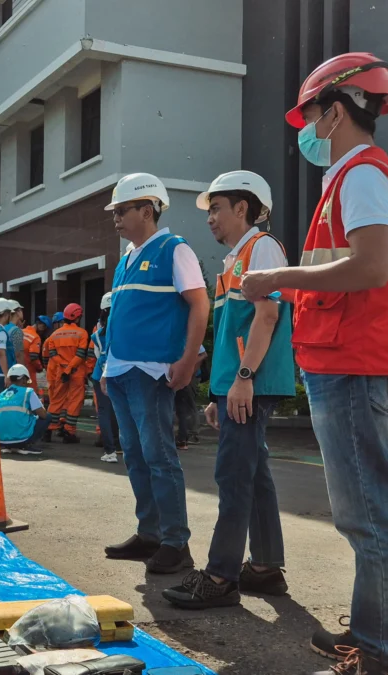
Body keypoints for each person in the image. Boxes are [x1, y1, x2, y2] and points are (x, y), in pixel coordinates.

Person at [240, 53, 388, 675]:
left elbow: (369, 268)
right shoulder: (353, 176)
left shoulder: (362, 176)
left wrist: (274, 278)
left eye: (309, 116)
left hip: (354, 363)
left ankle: (387, 656)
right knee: (364, 514)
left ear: (335, 111)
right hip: (347, 360)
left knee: (368, 517)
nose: (304, 130)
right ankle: (372, 636)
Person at [163, 170, 295, 611]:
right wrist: (224, 391)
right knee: (253, 472)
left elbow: (267, 317)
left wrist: (243, 380)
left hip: (249, 382)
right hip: (239, 385)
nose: (210, 218)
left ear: (244, 208)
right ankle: (264, 568)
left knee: (234, 474)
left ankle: (221, 574)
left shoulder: (263, 247)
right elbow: (233, 332)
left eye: (216, 208)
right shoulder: (237, 259)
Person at [100, 172, 210, 575]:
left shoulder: (173, 249)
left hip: (152, 372)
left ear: (147, 210)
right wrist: (106, 367)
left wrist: (187, 360)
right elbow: (117, 319)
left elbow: (200, 306)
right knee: (135, 456)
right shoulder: (127, 257)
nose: (115, 217)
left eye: (122, 210)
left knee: (159, 457)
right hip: (122, 371)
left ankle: (175, 542)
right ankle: (149, 533)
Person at [43, 303, 89, 444]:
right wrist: (70, 368)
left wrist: (64, 366)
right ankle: (69, 432)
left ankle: (49, 429)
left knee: (56, 400)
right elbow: (81, 355)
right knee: (75, 401)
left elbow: (52, 354)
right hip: (76, 372)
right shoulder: (82, 333)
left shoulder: (54, 335)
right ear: (77, 317)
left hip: (60, 372)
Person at [88, 292, 120, 462]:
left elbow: (97, 354)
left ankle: (110, 451)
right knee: (120, 410)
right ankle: (122, 446)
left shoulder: (97, 334)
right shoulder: (123, 329)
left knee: (104, 412)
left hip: (100, 374)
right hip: (119, 372)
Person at [0, 364, 49, 456]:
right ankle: (25, 446)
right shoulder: (28, 392)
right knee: (48, 416)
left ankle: (9, 447)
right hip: (21, 439)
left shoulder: (1, 395)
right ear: (23, 379)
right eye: (27, 380)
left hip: (1, 440)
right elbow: (43, 414)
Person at [174, 346, 207, 451]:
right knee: (181, 406)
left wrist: (188, 370)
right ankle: (183, 437)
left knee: (186, 406)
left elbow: (202, 354)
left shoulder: (187, 334)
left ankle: (189, 436)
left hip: (189, 376)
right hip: (180, 375)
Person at [22, 313, 44, 394]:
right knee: (31, 393)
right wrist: (39, 367)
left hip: (16, 367)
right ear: (40, 325)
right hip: (29, 370)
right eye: (44, 328)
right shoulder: (35, 337)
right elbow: (33, 356)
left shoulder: (21, 331)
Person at [5, 299, 25, 375]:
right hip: (13, 371)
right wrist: (23, 372)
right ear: (17, 312)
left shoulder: (3, 328)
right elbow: (19, 354)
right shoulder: (16, 331)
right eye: (21, 310)